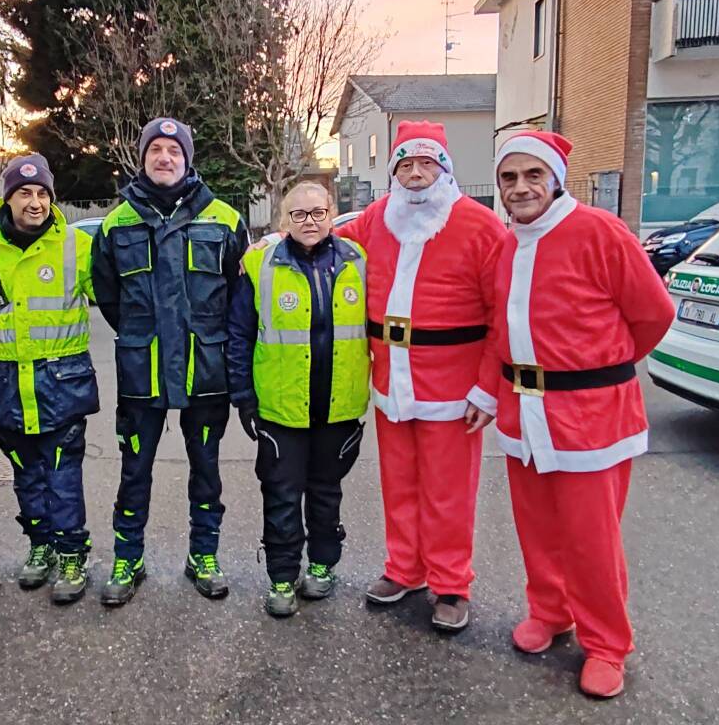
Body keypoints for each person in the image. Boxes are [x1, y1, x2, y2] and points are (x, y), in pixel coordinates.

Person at [491, 131, 674, 697]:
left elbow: (652, 314)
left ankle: (607, 644)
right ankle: (551, 611)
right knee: (539, 529)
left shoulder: (600, 232)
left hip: (591, 417)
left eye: (532, 176)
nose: (520, 188)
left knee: (591, 539)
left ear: (555, 179)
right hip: (524, 413)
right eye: (509, 178)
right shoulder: (506, 242)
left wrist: (598, 371)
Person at [332, 121, 506, 631]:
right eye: (405, 165)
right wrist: (271, 245)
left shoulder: (479, 225)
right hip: (391, 380)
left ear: (444, 170)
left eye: (425, 164)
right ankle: (404, 568)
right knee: (399, 483)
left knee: (449, 490)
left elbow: (503, 313)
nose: (414, 174)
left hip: (452, 386)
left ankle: (451, 581)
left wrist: (487, 387)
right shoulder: (374, 219)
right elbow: (328, 244)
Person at [91, 117, 249, 606]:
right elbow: (109, 296)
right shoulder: (117, 223)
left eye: (173, 150)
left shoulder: (223, 219)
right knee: (134, 470)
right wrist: (142, 336)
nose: (165, 157)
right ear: (143, 158)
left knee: (206, 468)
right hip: (143, 372)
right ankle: (128, 557)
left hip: (206, 371)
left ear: (187, 158)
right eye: (155, 149)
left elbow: (239, 296)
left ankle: (204, 554)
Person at [0, 154, 99, 605]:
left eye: (42, 193)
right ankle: (40, 546)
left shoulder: (75, 246)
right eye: (25, 193)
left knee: (62, 474)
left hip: (62, 381)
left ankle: (72, 553)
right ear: (8, 197)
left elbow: (113, 293)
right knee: (25, 473)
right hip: (5, 381)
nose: (35, 202)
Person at [227, 181, 368, 617]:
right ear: (283, 220)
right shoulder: (259, 264)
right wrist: (243, 397)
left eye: (318, 212)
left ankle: (323, 567)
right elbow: (239, 335)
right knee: (282, 496)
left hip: (338, 407)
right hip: (280, 408)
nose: (310, 222)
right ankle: (283, 577)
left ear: (331, 214)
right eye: (299, 214)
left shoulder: (358, 262)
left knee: (326, 494)